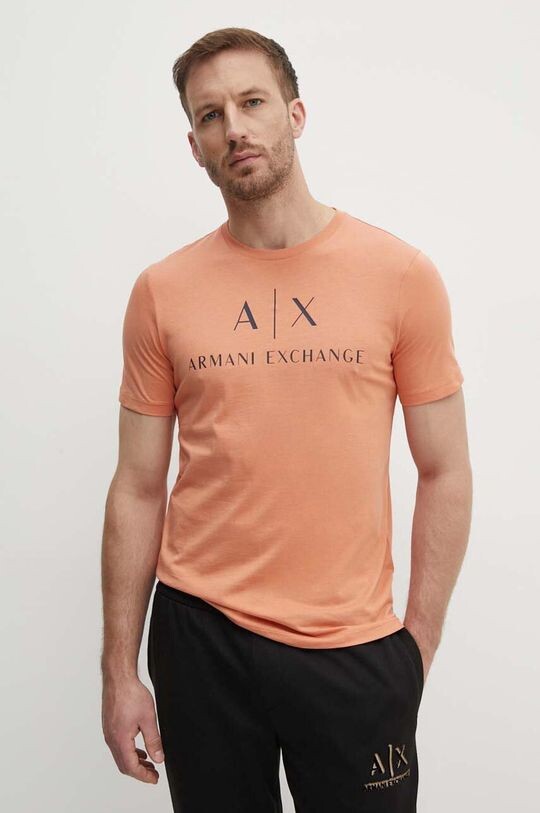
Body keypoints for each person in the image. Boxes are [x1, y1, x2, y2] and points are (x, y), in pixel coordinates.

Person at [101, 26, 473, 812]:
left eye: (252, 102)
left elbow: (446, 468)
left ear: (295, 115)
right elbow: (137, 484)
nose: (234, 127)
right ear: (195, 147)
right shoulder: (161, 292)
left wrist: (417, 645)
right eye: (210, 115)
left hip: (354, 645)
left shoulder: (400, 275)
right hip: (200, 638)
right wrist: (119, 670)